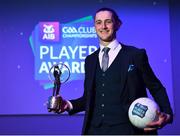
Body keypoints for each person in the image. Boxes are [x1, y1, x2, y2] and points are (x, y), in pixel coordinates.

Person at [51, 7, 173, 135]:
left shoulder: (135, 55)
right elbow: (89, 97)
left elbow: (156, 87)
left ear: (118, 24)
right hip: (94, 131)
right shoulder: (90, 60)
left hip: (129, 131)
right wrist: (68, 105)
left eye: (108, 21)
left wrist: (167, 115)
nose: (103, 26)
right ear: (94, 27)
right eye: (98, 22)